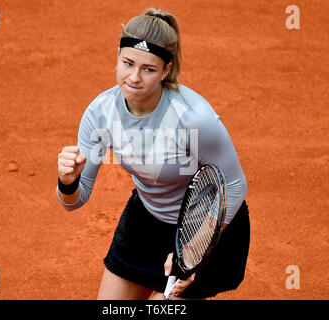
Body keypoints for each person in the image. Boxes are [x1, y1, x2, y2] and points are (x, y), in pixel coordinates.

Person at [56, 8, 250, 300]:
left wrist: (193, 251)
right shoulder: (100, 113)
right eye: (127, 63)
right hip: (145, 224)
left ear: (166, 70)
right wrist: (67, 180)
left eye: (147, 68)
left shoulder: (193, 118)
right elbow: (74, 201)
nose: (134, 77)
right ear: (117, 58)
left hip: (206, 228)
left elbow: (235, 185)